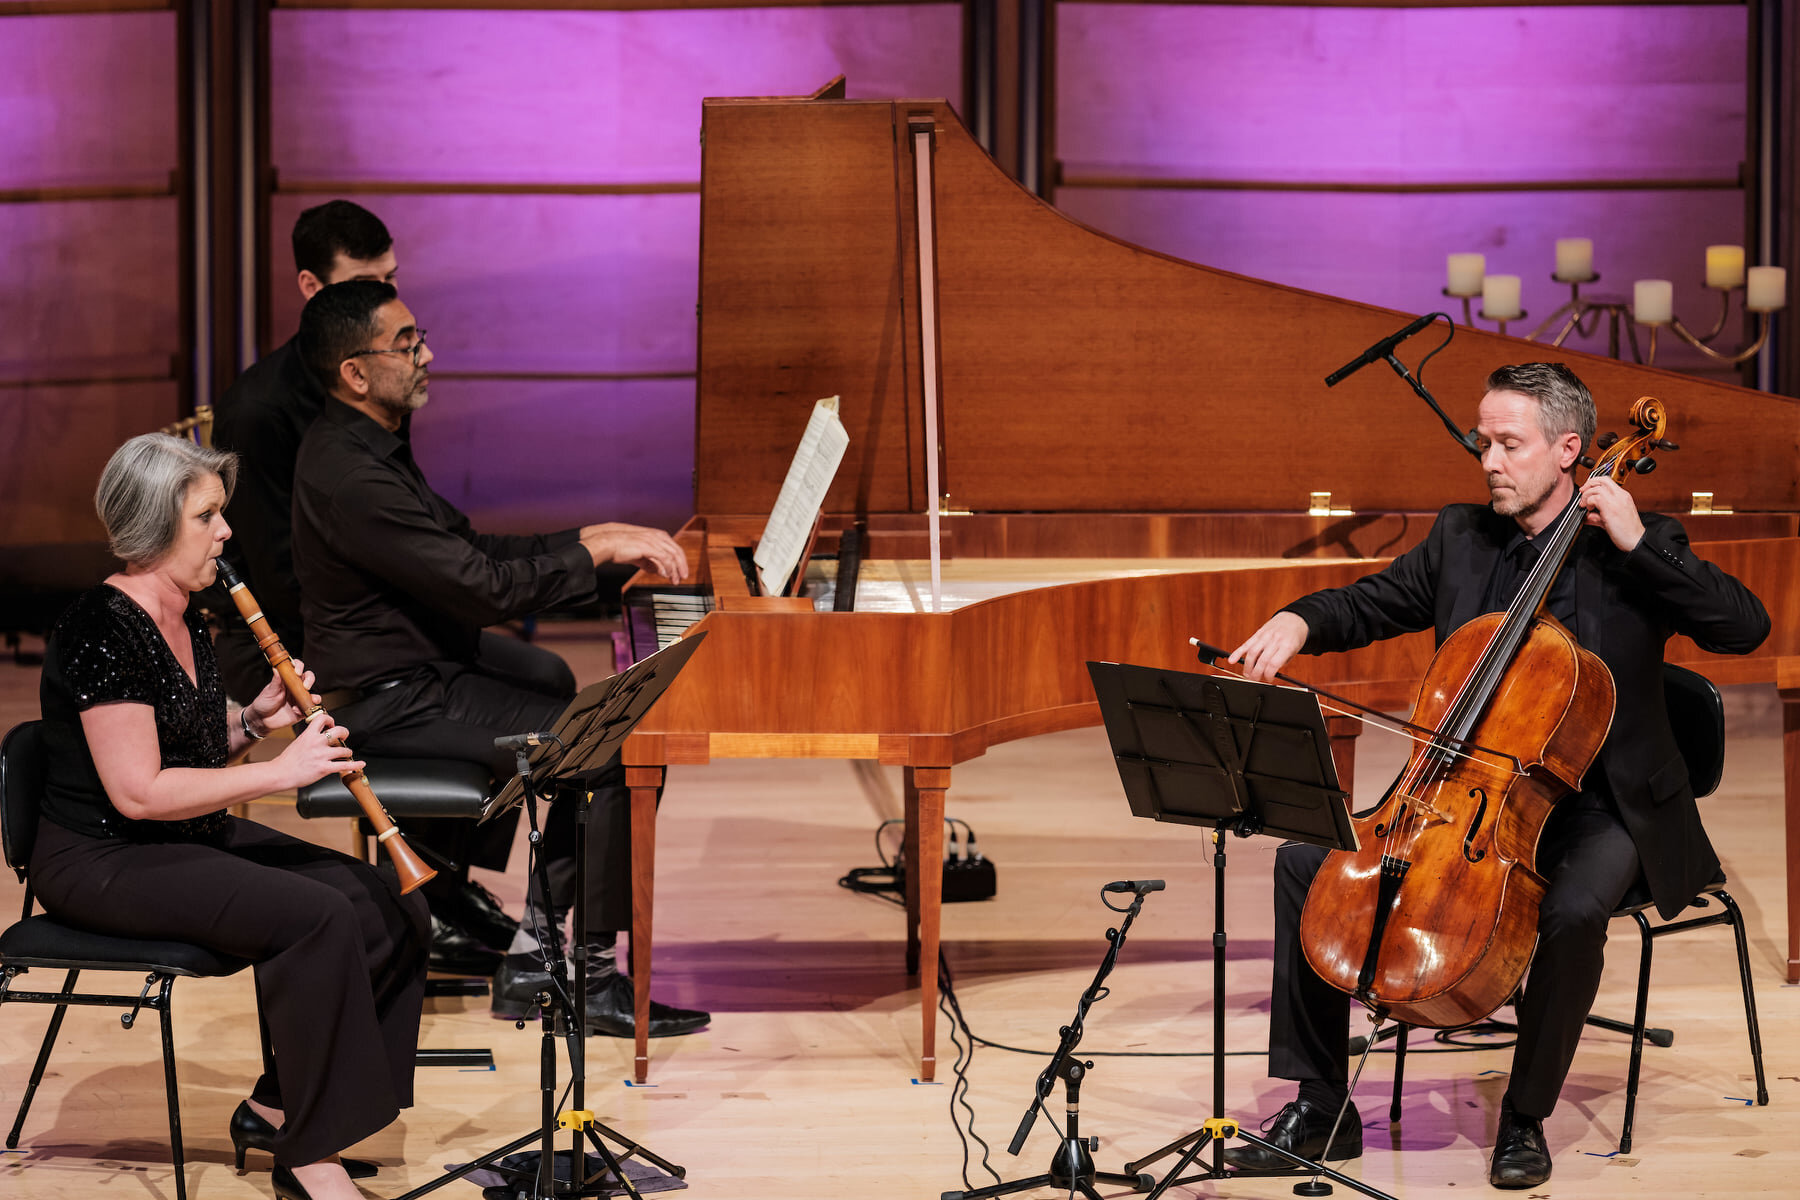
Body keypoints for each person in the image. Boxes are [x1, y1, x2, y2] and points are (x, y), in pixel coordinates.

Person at [1222, 363, 1768, 1189]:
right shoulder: (1462, 538)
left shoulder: (1634, 548)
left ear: (1569, 450)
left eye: (1509, 444)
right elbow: (1373, 601)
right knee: (1310, 861)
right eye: (1485, 442)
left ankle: (1524, 1117)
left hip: (1604, 806)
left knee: (1575, 907)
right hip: (1467, 800)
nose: (1490, 460)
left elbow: (1744, 627)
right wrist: (1301, 618)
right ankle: (1322, 1103)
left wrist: (1638, 542)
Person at [289, 279, 708, 1038]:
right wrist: (591, 552)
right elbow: (480, 589)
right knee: (610, 748)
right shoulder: (353, 476)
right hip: (392, 699)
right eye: (407, 343)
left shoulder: (367, 445)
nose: (427, 355)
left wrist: (593, 534)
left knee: (548, 677)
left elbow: (469, 548)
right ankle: (578, 969)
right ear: (355, 372)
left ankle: (527, 943)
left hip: (416, 670)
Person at [32, 433, 429, 1200]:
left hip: (170, 837)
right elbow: (139, 791)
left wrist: (254, 724)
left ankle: (274, 1107)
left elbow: (193, 750)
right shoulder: (99, 627)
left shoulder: (191, 616)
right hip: (101, 860)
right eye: (207, 516)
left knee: (382, 902)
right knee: (314, 916)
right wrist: (284, 773)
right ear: (153, 527)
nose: (226, 532)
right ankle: (309, 1155)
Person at [204, 200, 517, 976]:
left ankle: (444, 883)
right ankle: (420, 899)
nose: (387, 300)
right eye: (365, 283)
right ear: (313, 287)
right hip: (286, 637)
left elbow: (406, 520)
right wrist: (389, 647)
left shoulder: (375, 371)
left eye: (392, 280)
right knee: (443, 677)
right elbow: (274, 567)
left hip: (350, 608)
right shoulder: (261, 407)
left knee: (513, 667)